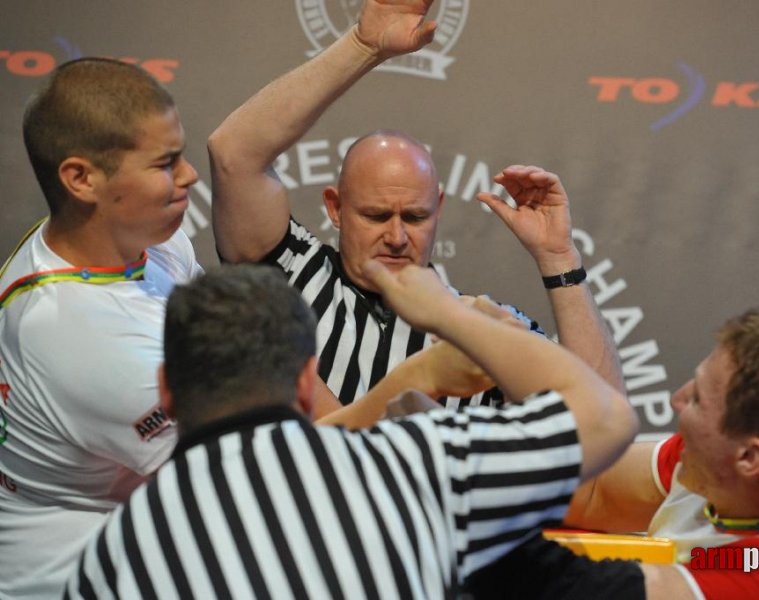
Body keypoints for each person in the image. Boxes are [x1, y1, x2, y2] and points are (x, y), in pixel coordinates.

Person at [64, 263, 639, 598]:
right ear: (308, 380)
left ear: (166, 389)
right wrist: (449, 316)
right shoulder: (409, 464)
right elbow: (605, 417)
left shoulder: (112, 558)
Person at [207, 0, 622, 411]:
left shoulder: (485, 329)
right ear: (335, 208)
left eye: (415, 216)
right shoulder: (293, 274)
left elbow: (601, 415)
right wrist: (362, 45)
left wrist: (558, 257)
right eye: (375, 215)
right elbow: (233, 153)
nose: (396, 236)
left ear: (438, 209)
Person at [466, 307, 759, 599]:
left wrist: (465, 328)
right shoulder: (734, 471)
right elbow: (592, 488)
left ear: (752, 457)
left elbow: (579, 588)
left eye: (697, 401)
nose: (676, 399)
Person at [0, 57, 202, 598]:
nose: (189, 175)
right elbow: (237, 477)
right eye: (166, 163)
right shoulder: (79, 336)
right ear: (81, 179)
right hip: (69, 582)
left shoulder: (144, 238)